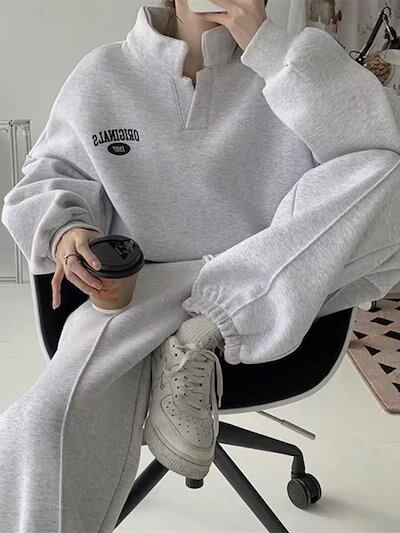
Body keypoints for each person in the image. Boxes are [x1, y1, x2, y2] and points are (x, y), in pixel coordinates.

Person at [1, 0, 400, 530]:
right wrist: (66, 227)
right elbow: (46, 177)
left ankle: (207, 325)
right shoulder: (103, 73)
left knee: (388, 175)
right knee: (38, 429)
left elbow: (380, 150)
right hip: (137, 295)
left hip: (264, 295)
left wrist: (267, 45)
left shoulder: (296, 63)